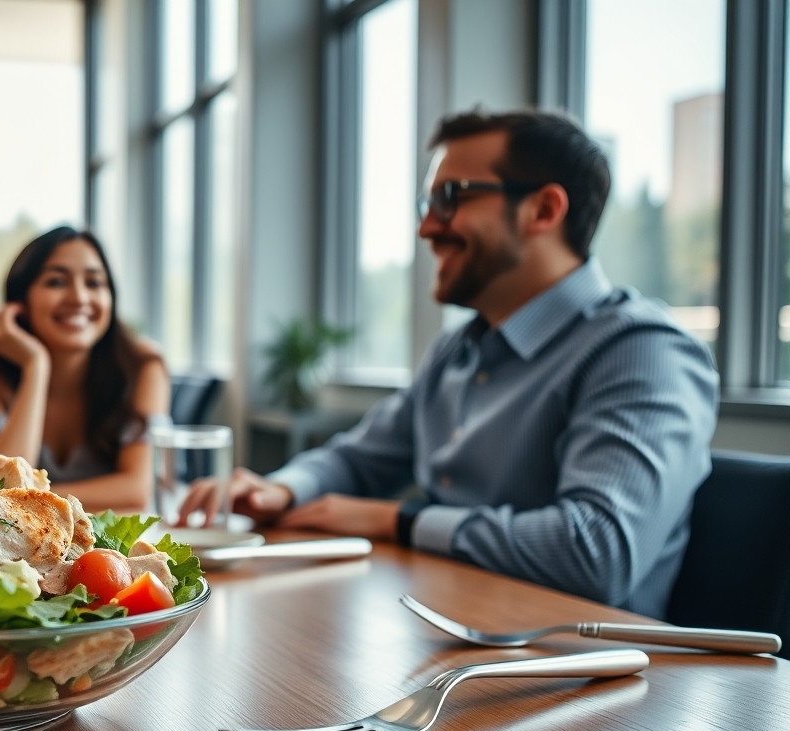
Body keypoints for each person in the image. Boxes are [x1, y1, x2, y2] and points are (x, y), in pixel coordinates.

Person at [180, 109, 718, 618]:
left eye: (451, 198)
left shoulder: (642, 351)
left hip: (576, 664)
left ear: (544, 210)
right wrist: (283, 488)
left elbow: (596, 551)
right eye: (427, 205)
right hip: (447, 626)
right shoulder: (456, 348)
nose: (427, 229)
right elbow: (361, 457)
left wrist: (400, 519)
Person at [0, 226, 170, 513]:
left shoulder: (143, 366)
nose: (79, 298)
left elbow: (136, 491)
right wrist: (36, 367)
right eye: (56, 282)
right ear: (20, 300)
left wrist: (33, 495)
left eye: (94, 283)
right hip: (26, 539)